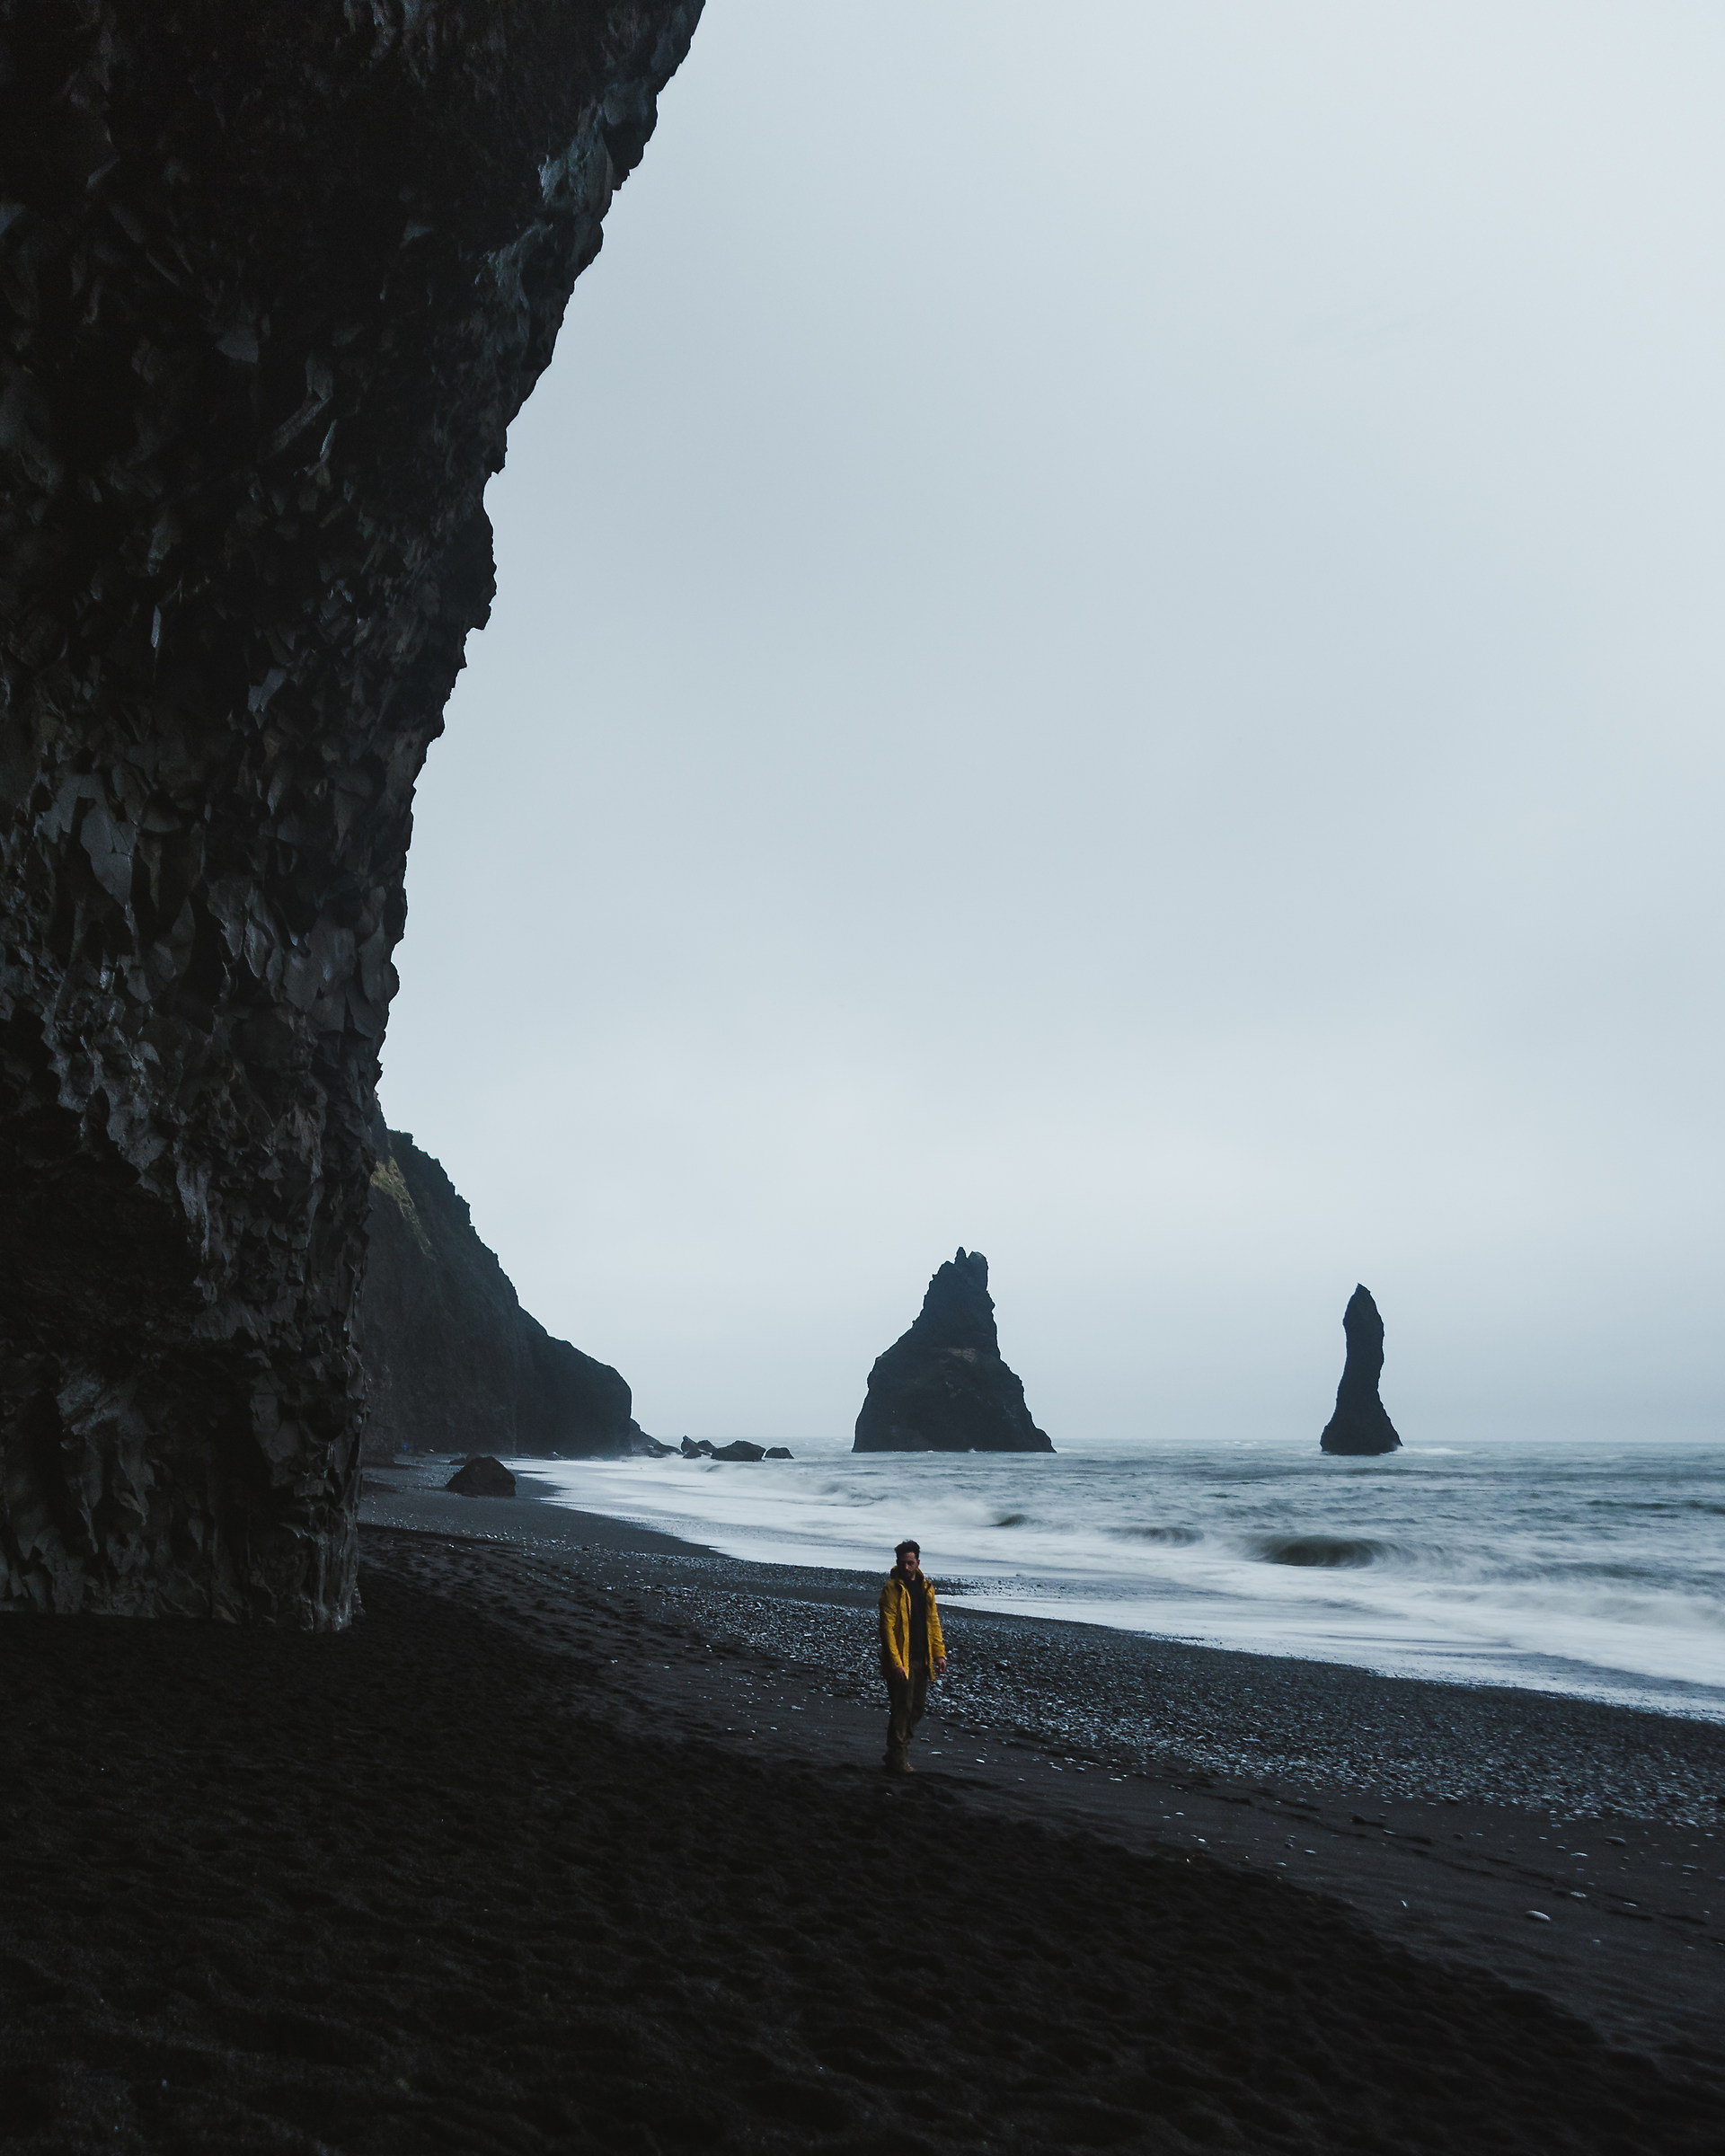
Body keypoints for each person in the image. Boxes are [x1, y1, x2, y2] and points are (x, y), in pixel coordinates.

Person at [877, 1539, 946, 1773]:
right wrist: (896, 1664)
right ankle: (898, 1757)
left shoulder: (926, 1588)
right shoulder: (891, 1590)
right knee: (902, 1708)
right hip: (901, 1661)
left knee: (917, 1709)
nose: (906, 1567)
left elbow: (933, 1623)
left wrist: (939, 1654)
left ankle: (895, 1751)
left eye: (910, 1563)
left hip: (922, 1659)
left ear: (917, 1562)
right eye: (902, 1563)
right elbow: (887, 1629)